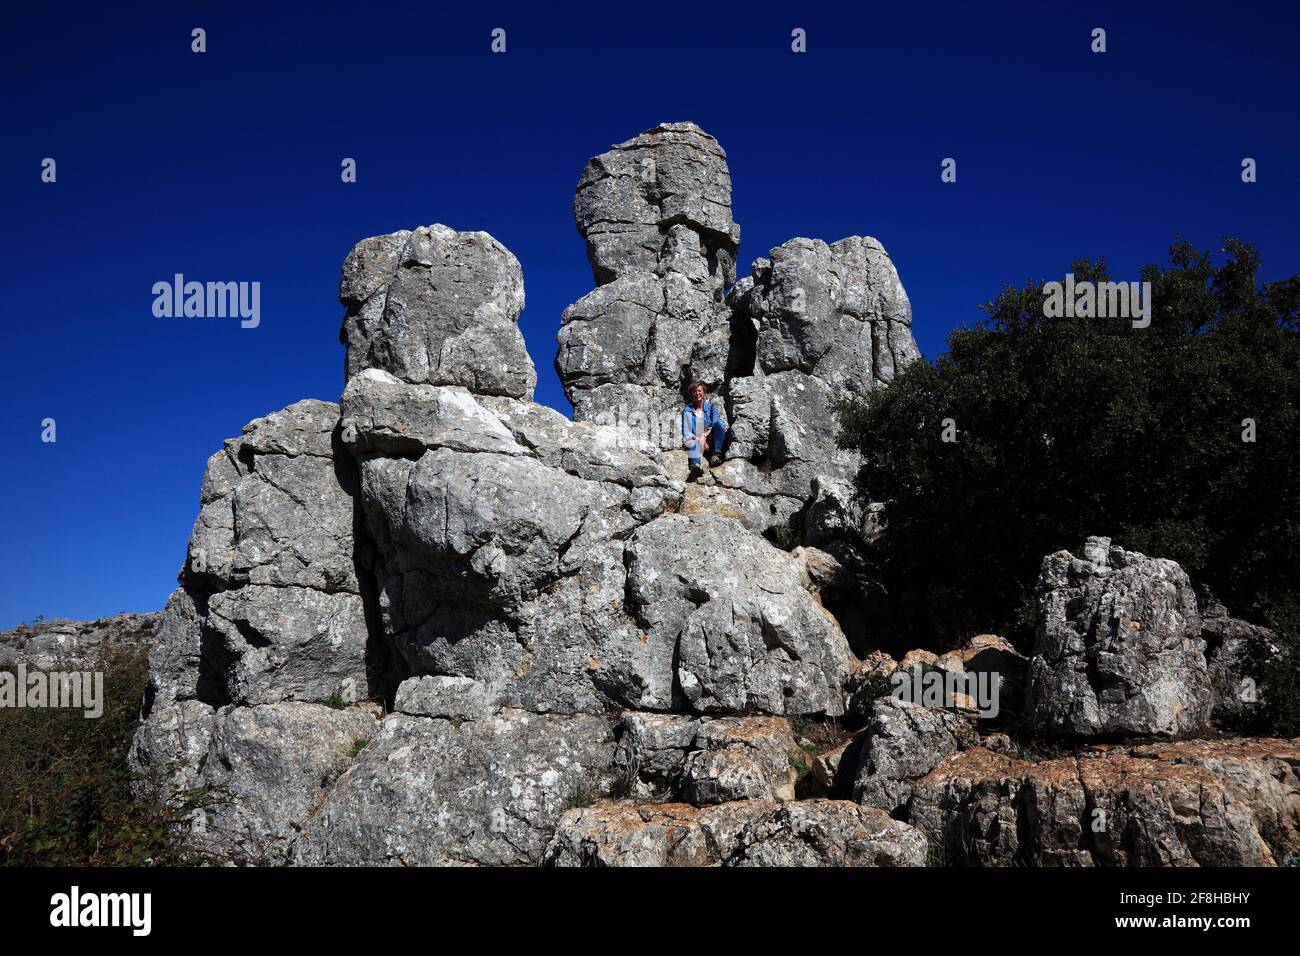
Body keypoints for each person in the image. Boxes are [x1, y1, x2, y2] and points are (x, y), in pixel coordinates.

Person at [681, 380, 726, 477]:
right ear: (692, 394)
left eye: (699, 391)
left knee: (720, 424)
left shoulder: (711, 408)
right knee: (691, 439)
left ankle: (716, 455)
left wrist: (704, 436)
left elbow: (714, 424)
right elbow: (687, 432)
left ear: (703, 392)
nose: (697, 393)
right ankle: (695, 465)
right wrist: (700, 439)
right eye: (694, 391)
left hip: (709, 439)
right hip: (696, 440)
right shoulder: (687, 411)